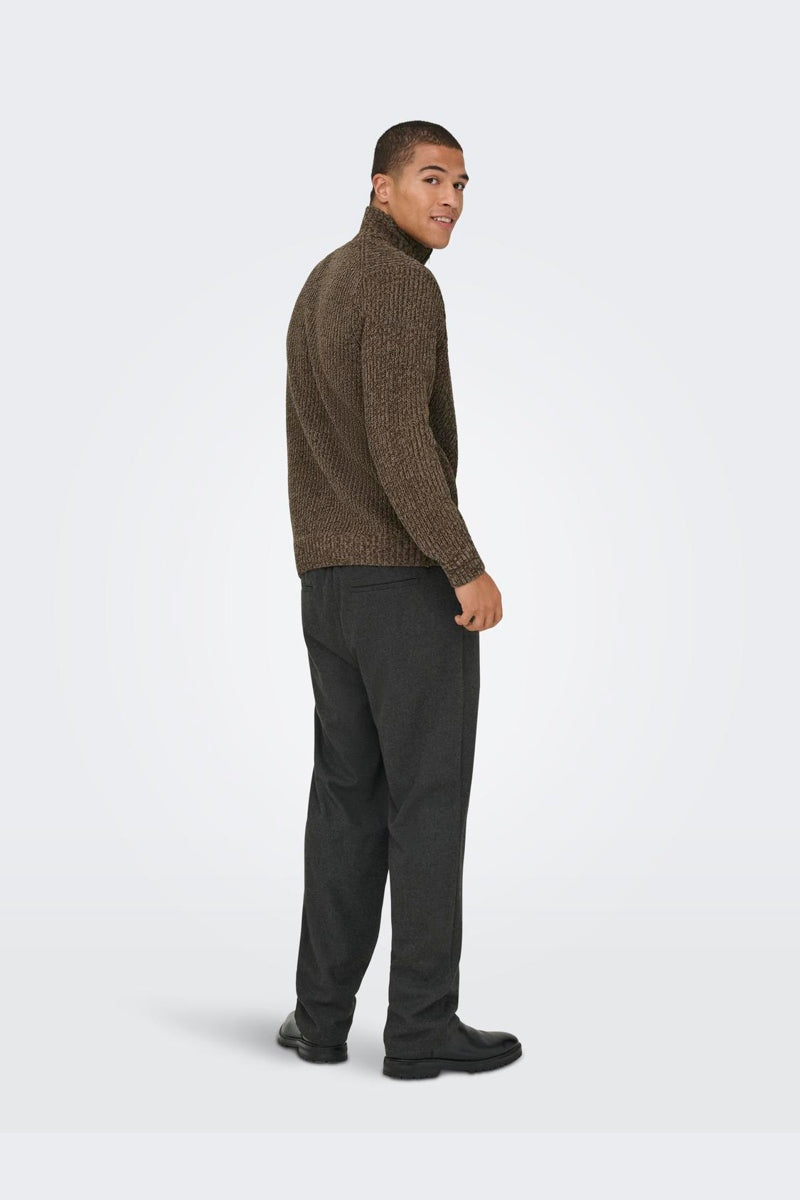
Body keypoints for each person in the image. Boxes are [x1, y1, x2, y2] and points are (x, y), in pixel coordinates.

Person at [277, 120, 522, 1080]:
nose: (450, 199)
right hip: (402, 589)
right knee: (426, 806)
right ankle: (421, 1027)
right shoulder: (400, 283)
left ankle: (319, 1018)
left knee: (346, 805)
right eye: (430, 178)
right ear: (381, 186)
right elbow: (399, 442)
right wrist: (463, 565)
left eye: (461, 183)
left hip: (328, 590)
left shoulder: (322, 281)